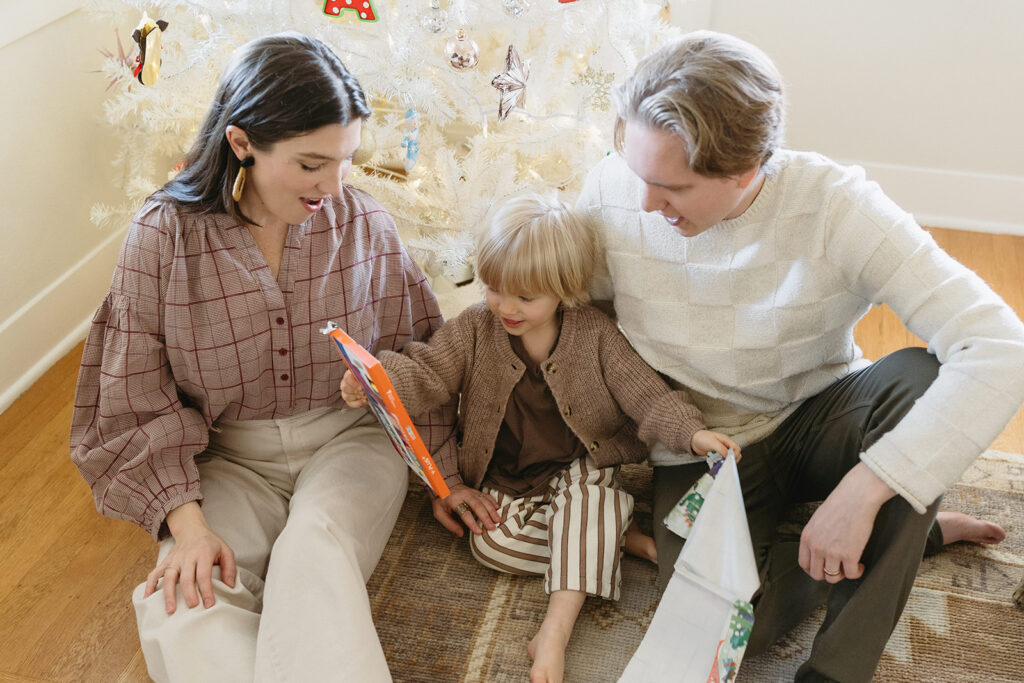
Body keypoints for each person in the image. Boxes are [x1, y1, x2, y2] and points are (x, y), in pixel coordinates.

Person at [576, 30, 1024, 682]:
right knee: (727, 637)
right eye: (636, 171)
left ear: (746, 167)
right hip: (702, 447)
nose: (644, 202)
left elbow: (1000, 344)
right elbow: (575, 325)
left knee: (922, 384)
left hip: (820, 413)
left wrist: (868, 488)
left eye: (671, 186)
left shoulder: (834, 206)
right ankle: (908, 533)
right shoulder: (614, 189)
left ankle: (834, 669)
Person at [69, 33, 454, 683]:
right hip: (228, 455)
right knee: (185, 599)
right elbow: (132, 391)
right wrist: (186, 525)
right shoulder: (163, 237)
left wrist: (448, 472)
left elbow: (421, 353)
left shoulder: (364, 223)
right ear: (242, 142)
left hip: (351, 441)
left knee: (315, 552)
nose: (333, 186)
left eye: (345, 160)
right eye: (310, 164)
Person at [339, 194, 741, 683]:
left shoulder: (594, 333)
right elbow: (429, 370)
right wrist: (380, 380)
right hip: (509, 481)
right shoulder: (473, 328)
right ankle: (609, 538)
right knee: (491, 546)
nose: (504, 307)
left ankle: (555, 629)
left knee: (587, 498)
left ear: (564, 290)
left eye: (524, 297)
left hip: (581, 468)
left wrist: (693, 433)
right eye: (494, 289)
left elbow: (647, 396)